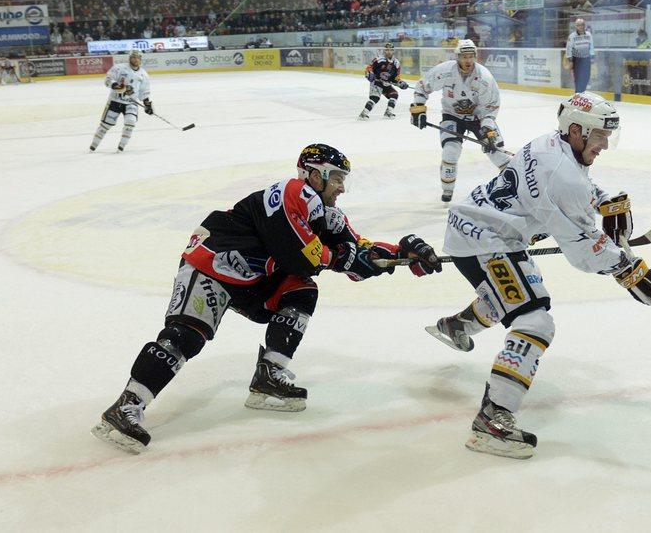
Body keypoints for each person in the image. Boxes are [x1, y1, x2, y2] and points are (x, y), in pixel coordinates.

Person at [92, 144, 442, 454]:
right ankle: (127, 406)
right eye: (335, 176)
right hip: (213, 264)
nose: (341, 185)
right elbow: (301, 253)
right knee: (185, 338)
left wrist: (402, 252)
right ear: (312, 174)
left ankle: (269, 375)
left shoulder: (327, 213)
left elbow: (356, 249)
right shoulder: (292, 192)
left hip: (254, 279)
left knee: (301, 290)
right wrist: (347, 259)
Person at [425, 93, 651, 459]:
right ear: (576, 130)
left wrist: (603, 200)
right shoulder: (563, 175)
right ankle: (492, 419)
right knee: (535, 319)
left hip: (482, 226)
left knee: (512, 300)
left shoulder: (549, 142)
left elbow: (573, 191)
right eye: (600, 136)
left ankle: (456, 327)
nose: (604, 145)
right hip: (485, 239)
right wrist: (628, 270)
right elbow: (585, 250)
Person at [409, 39, 511, 203]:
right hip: (452, 116)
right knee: (450, 150)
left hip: (479, 118)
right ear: (457, 57)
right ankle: (447, 190)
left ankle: (515, 184)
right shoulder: (445, 71)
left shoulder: (484, 77)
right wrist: (419, 107)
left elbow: (491, 107)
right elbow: (422, 85)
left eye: (471, 56)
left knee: (497, 153)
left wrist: (487, 128)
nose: (468, 60)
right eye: (464, 56)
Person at [89, 49, 152, 153]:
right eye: (133, 57)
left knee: (130, 122)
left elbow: (144, 91)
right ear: (129, 58)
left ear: (141, 59)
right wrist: (117, 86)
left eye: (138, 57)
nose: (136, 59)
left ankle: (121, 146)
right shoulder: (119, 68)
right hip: (115, 101)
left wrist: (147, 104)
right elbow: (108, 79)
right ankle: (94, 145)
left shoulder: (143, 74)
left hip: (131, 103)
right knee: (106, 124)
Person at [359, 43, 408, 120]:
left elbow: (396, 78)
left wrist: (400, 83)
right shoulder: (378, 59)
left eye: (390, 50)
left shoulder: (396, 63)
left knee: (394, 94)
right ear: (384, 50)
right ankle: (363, 114)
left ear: (393, 51)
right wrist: (370, 74)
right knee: (375, 98)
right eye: (387, 50)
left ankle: (388, 112)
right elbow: (369, 68)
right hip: (377, 82)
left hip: (386, 84)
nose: (389, 51)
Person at [564, 18, 595, 92]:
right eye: (578, 25)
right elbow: (569, 48)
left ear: (584, 25)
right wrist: (570, 60)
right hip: (576, 59)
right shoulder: (572, 36)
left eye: (582, 25)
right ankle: (578, 94)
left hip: (586, 59)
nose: (581, 27)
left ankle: (582, 92)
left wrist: (592, 57)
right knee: (578, 78)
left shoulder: (589, 34)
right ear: (576, 26)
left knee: (586, 77)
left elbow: (591, 46)